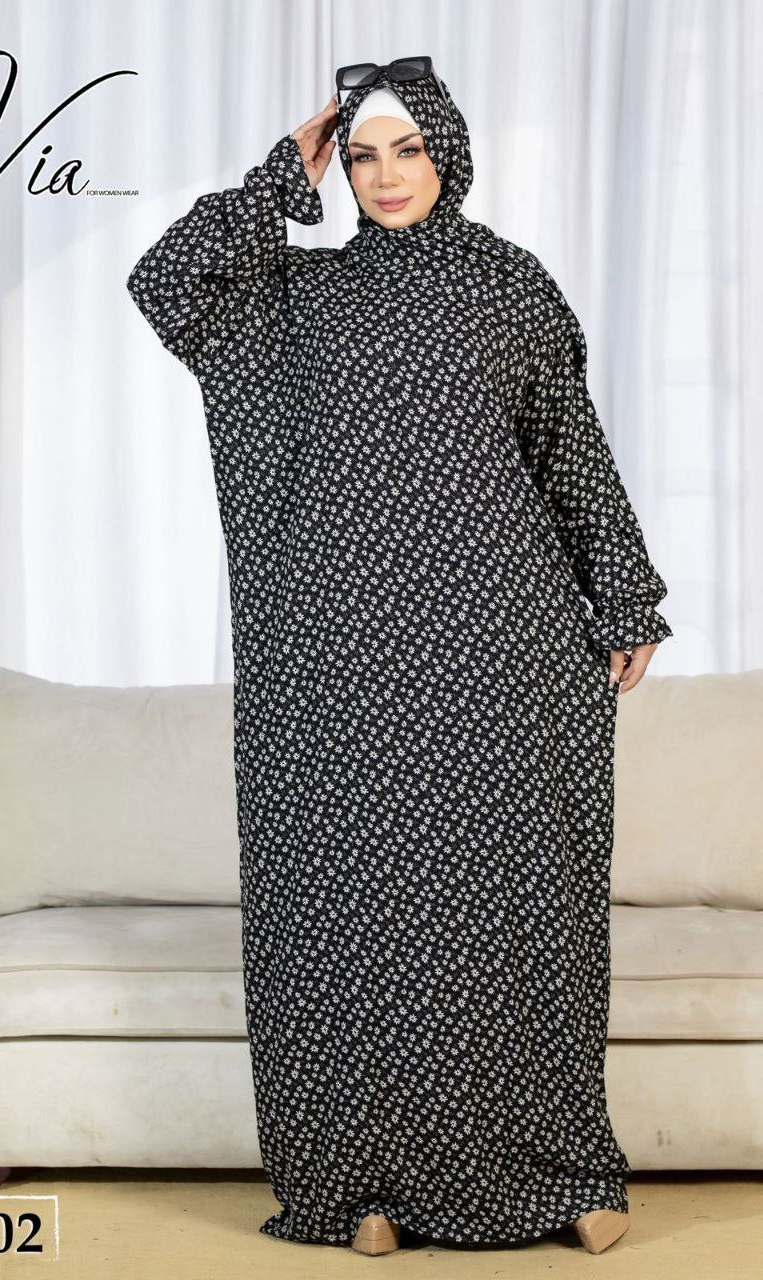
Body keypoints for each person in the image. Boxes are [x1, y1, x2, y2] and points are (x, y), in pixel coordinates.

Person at [126, 57, 672, 1258]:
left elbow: (566, 444)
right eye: (364, 154)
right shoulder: (290, 296)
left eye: (407, 150)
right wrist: (282, 173)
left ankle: (562, 1170)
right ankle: (362, 1183)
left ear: (448, 154)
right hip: (338, 657)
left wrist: (623, 588)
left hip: (503, 646)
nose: (384, 177)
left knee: (519, 907)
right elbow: (163, 281)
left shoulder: (510, 285)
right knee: (353, 911)